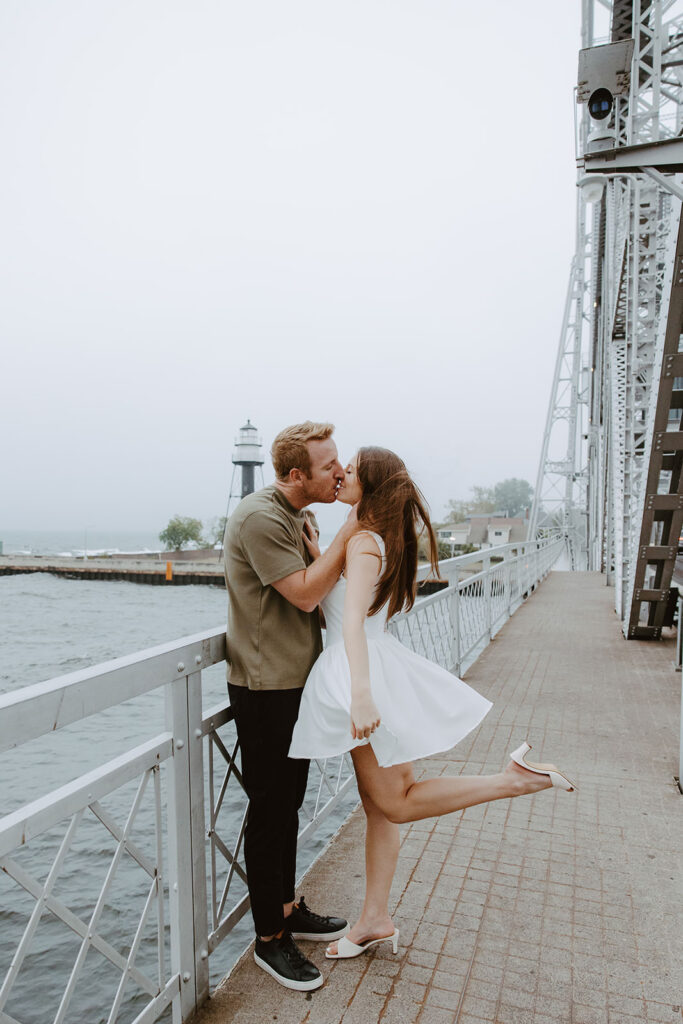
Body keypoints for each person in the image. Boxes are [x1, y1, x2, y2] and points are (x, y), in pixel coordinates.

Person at [289, 446, 575, 960]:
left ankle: (513, 780)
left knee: (395, 801)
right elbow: (349, 596)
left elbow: (350, 622)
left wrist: (358, 696)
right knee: (381, 807)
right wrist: (317, 553)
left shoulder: (362, 544)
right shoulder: (379, 539)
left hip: (361, 673)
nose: (343, 474)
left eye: (352, 470)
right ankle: (374, 918)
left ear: (370, 486)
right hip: (380, 667)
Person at [223, 421, 359, 991]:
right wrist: (353, 528)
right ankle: (268, 941)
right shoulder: (258, 516)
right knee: (271, 807)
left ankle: (285, 909)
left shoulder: (299, 516)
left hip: (295, 681)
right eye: (330, 466)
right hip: (264, 685)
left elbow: (319, 598)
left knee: (289, 802)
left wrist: (327, 540)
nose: (341, 472)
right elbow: (304, 592)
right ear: (296, 474)